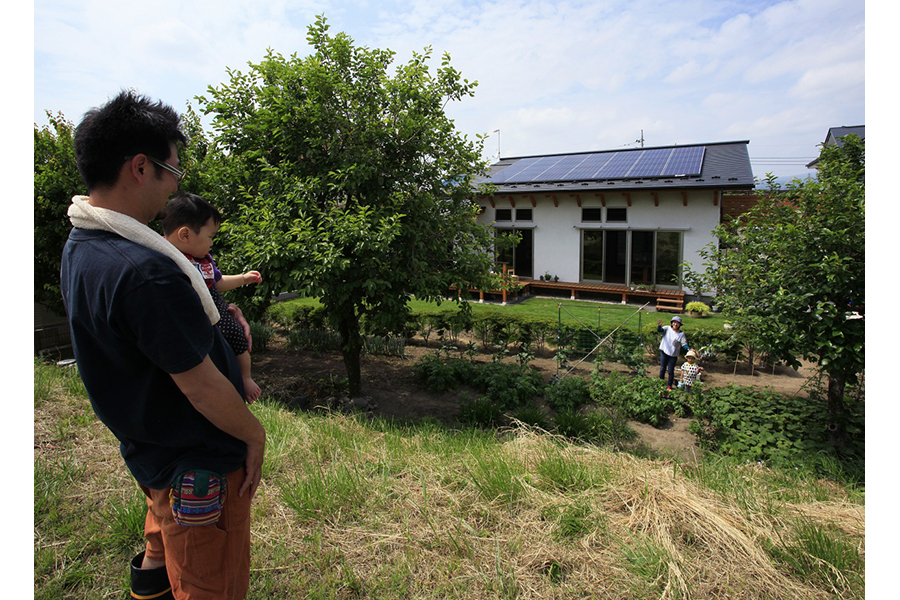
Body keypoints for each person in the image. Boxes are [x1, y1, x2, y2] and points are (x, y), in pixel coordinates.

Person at [59, 90, 265, 600]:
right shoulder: (144, 270)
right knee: (207, 582)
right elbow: (199, 386)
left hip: (151, 448)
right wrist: (254, 435)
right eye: (173, 168)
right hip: (195, 459)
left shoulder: (83, 244)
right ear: (139, 167)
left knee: (161, 548)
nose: (176, 181)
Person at [162, 192, 263, 403]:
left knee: (236, 335)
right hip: (197, 316)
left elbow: (218, 282)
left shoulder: (203, 260)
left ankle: (245, 377)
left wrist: (244, 278)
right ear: (185, 235)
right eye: (210, 237)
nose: (212, 243)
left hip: (214, 305)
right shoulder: (164, 259)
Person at [657, 315, 690, 390]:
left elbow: (684, 344)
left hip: (673, 355)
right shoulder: (667, 328)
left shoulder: (681, 334)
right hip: (664, 351)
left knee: (670, 370)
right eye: (674, 322)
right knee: (662, 368)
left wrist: (689, 349)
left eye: (677, 323)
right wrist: (659, 326)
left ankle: (669, 385)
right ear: (672, 323)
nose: (675, 324)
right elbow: (660, 330)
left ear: (680, 325)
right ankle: (660, 383)